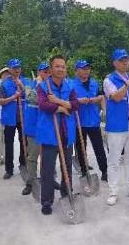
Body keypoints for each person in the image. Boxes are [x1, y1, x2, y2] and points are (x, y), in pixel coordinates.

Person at [36, 55, 79, 215]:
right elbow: (43, 104)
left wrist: (60, 103)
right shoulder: (43, 86)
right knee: (47, 169)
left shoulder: (70, 85)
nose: (60, 69)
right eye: (57, 66)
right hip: (49, 133)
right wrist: (59, 109)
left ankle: (66, 192)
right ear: (51, 68)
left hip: (67, 132)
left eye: (63, 66)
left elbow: (75, 105)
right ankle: (46, 201)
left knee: (66, 166)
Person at [103, 49, 129, 206]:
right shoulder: (109, 80)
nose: (125, 62)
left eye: (127, 60)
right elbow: (117, 97)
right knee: (114, 159)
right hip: (116, 126)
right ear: (115, 63)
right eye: (122, 60)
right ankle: (113, 191)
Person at [22, 62, 61, 196]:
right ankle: (30, 182)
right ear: (39, 72)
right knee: (33, 157)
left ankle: (51, 179)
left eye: (48, 72)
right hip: (33, 127)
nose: (47, 74)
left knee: (49, 156)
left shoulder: (53, 86)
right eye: (44, 71)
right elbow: (32, 99)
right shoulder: (30, 85)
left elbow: (57, 102)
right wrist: (41, 89)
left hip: (48, 126)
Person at [72, 60, 108, 181]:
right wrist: (79, 101)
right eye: (83, 69)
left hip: (93, 120)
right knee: (81, 148)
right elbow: (69, 102)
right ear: (77, 70)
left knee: (99, 147)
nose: (86, 71)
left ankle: (104, 171)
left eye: (87, 69)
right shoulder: (71, 84)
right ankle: (84, 171)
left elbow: (101, 97)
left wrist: (99, 103)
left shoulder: (94, 83)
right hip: (78, 121)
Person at [0, 58, 29, 180]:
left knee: (24, 143)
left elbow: (32, 97)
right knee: (9, 144)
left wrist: (22, 87)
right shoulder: (4, 83)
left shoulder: (26, 81)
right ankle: (9, 169)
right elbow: (1, 101)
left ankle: (23, 164)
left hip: (23, 118)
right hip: (10, 118)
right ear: (9, 70)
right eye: (14, 68)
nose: (17, 70)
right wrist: (13, 97)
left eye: (18, 67)